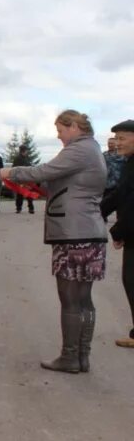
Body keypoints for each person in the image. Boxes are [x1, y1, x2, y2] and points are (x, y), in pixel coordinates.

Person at [0, 110, 107, 373]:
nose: (58, 136)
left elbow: (45, 171)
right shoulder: (92, 150)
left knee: (70, 298)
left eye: (60, 130)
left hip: (73, 233)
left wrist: (11, 172)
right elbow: (59, 184)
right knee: (83, 298)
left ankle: (70, 357)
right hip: (89, 232)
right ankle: (82, 356)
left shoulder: (79, 150)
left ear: (73, 127)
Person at [101, 120, 134, 348]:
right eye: (117, 138)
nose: (117, 143)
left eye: (122, 138)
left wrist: (117, 231)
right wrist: (96, 210)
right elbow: (120, 194)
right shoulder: (129, 162)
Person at [13, 145, 36, 214]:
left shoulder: (25, 158)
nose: (27, 151)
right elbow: (15, 168)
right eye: (26, 150)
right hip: (21, 179)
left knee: (27, 194)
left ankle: (29, 208)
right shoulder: (18, 159)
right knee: (21, 194)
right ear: (24, 150)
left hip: (26, 179)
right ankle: (19, 208)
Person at [104, 136, 126, 200]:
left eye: (112, 143)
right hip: (107, 184)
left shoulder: (122, 154)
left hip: (119, 184)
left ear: (116, 144)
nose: (110, 145)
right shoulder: (103, 155)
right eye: (109, 143)